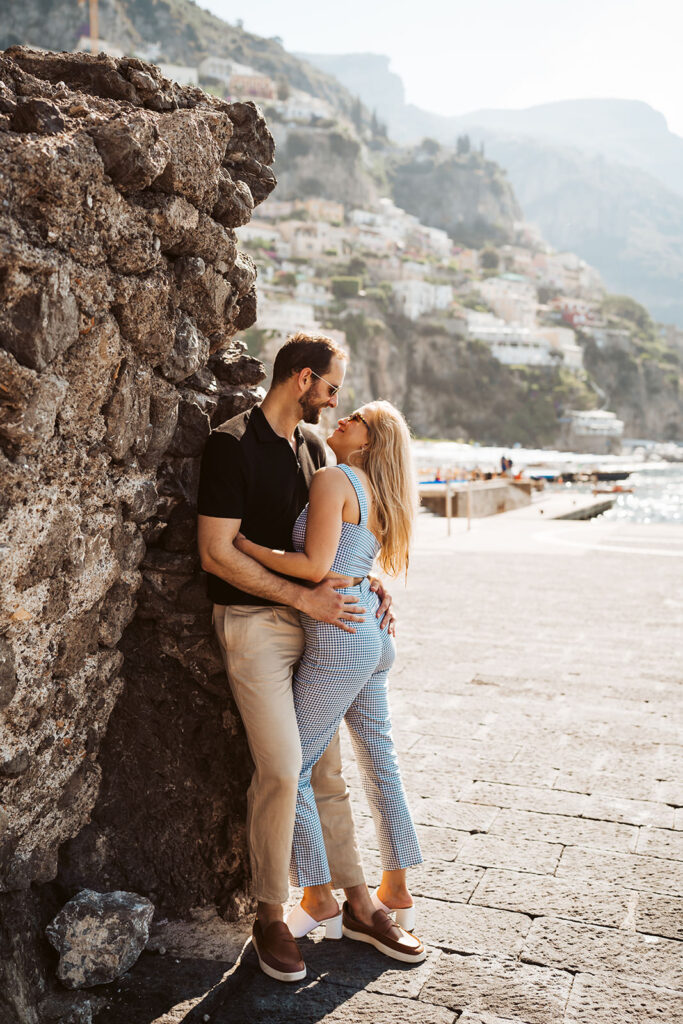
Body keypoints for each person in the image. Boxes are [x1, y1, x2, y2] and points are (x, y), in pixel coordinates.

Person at [197, 334, 396, 983]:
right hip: (253, 624)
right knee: (284, 768)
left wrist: (368, 582)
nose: (336, 401)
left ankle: (357, 902)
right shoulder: (229, 443)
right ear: (302, 377)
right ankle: (270, 913)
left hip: (318, 630)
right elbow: (216, 551)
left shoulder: (314, 450)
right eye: (332, 388)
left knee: (328, 772)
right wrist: (298, 599)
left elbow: (329, 543)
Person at [235, 399, 425, 967]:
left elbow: (317, 567)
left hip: (342, 636)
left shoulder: (333, 476)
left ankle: (318, 893)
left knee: (291, 765)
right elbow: (350, 559)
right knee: (380, 757)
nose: (343, 420)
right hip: (373, 632)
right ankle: (396, 887)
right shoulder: (379, 492)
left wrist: (248, 548)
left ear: (368, 442)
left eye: (357, 420)